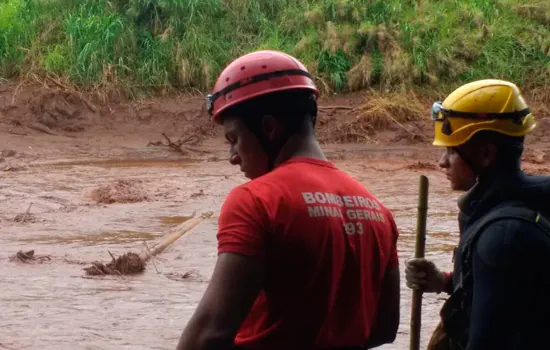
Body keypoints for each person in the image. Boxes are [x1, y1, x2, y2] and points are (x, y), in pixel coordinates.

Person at [176, 50, 400, 350]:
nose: (232, 157)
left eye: (234, 140)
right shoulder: (379, 212)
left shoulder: (256, 201)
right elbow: (384, 329)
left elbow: (208, 336)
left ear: (269, 128)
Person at [405, 79, 550, 349]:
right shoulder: (513, 209)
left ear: (485, 154)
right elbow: (502, 294)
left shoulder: (502, 237)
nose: (442, 162)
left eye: (451, 151)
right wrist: (444, 282)